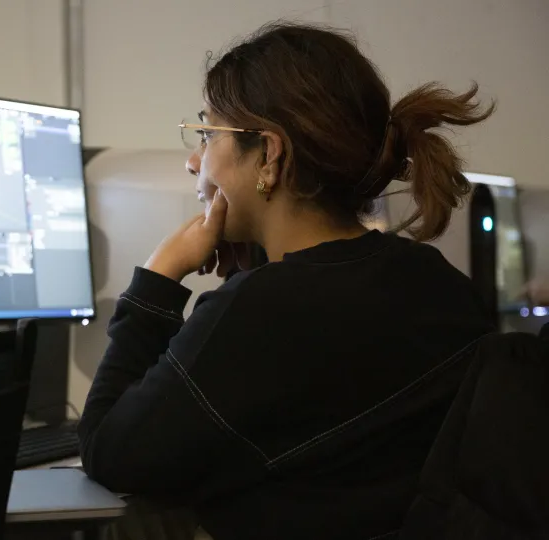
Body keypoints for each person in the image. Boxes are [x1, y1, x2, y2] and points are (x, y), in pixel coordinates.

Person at [78, 22, 495, 540]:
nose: (193, 161)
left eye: (207, 135)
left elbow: (107, 452)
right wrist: (256, 271)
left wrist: (157, 281)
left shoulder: (257, 314)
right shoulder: (438, 281)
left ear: (270, 155)